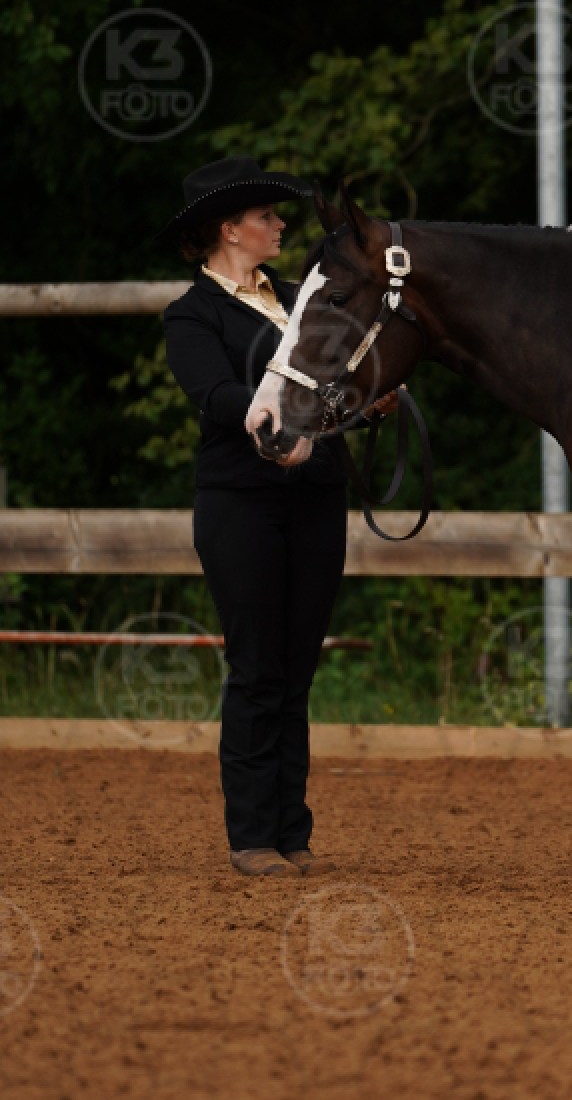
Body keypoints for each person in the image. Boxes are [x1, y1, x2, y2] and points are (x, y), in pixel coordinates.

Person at [153, 156, 400, 877]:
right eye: (266, 216)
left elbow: (332, 382)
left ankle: (293, 833)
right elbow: (214, 396)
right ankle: (252, 835)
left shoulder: (298, 299)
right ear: (229, 230)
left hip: (316, 493)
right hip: (241, 500)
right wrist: (273, 414)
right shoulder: (193, 314)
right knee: (257, 664)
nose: (280, 224)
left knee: (297, 670)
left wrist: (366, 402)